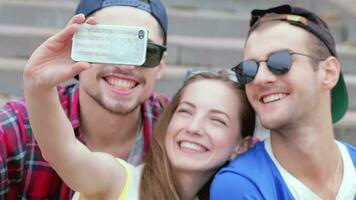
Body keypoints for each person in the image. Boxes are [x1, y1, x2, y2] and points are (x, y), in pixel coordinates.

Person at [23, 27, 256, 200]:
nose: (194, 128)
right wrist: (39, 85)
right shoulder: (119, 180)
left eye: (216, 120)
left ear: (241, 145)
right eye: (185, 112)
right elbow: (66, 152)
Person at [0, 0, 169, 199]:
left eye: (145, 51)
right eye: (108, 43)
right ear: (76, 46)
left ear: (161, 65)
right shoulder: (15, 129)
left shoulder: (178, 130)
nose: (125, 65)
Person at [211, 4, 356, 200]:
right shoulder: (239, 185)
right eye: (249, 69)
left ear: (328, 73)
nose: (260, 79)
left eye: (279, 61)